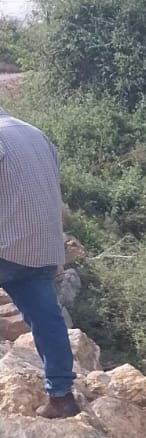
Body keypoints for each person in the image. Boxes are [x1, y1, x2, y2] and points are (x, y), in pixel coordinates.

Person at [0, 106, 79, 417]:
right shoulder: (35, 133)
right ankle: (62, 396)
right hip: (44, 246)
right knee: (47, 319)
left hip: (7, 245)